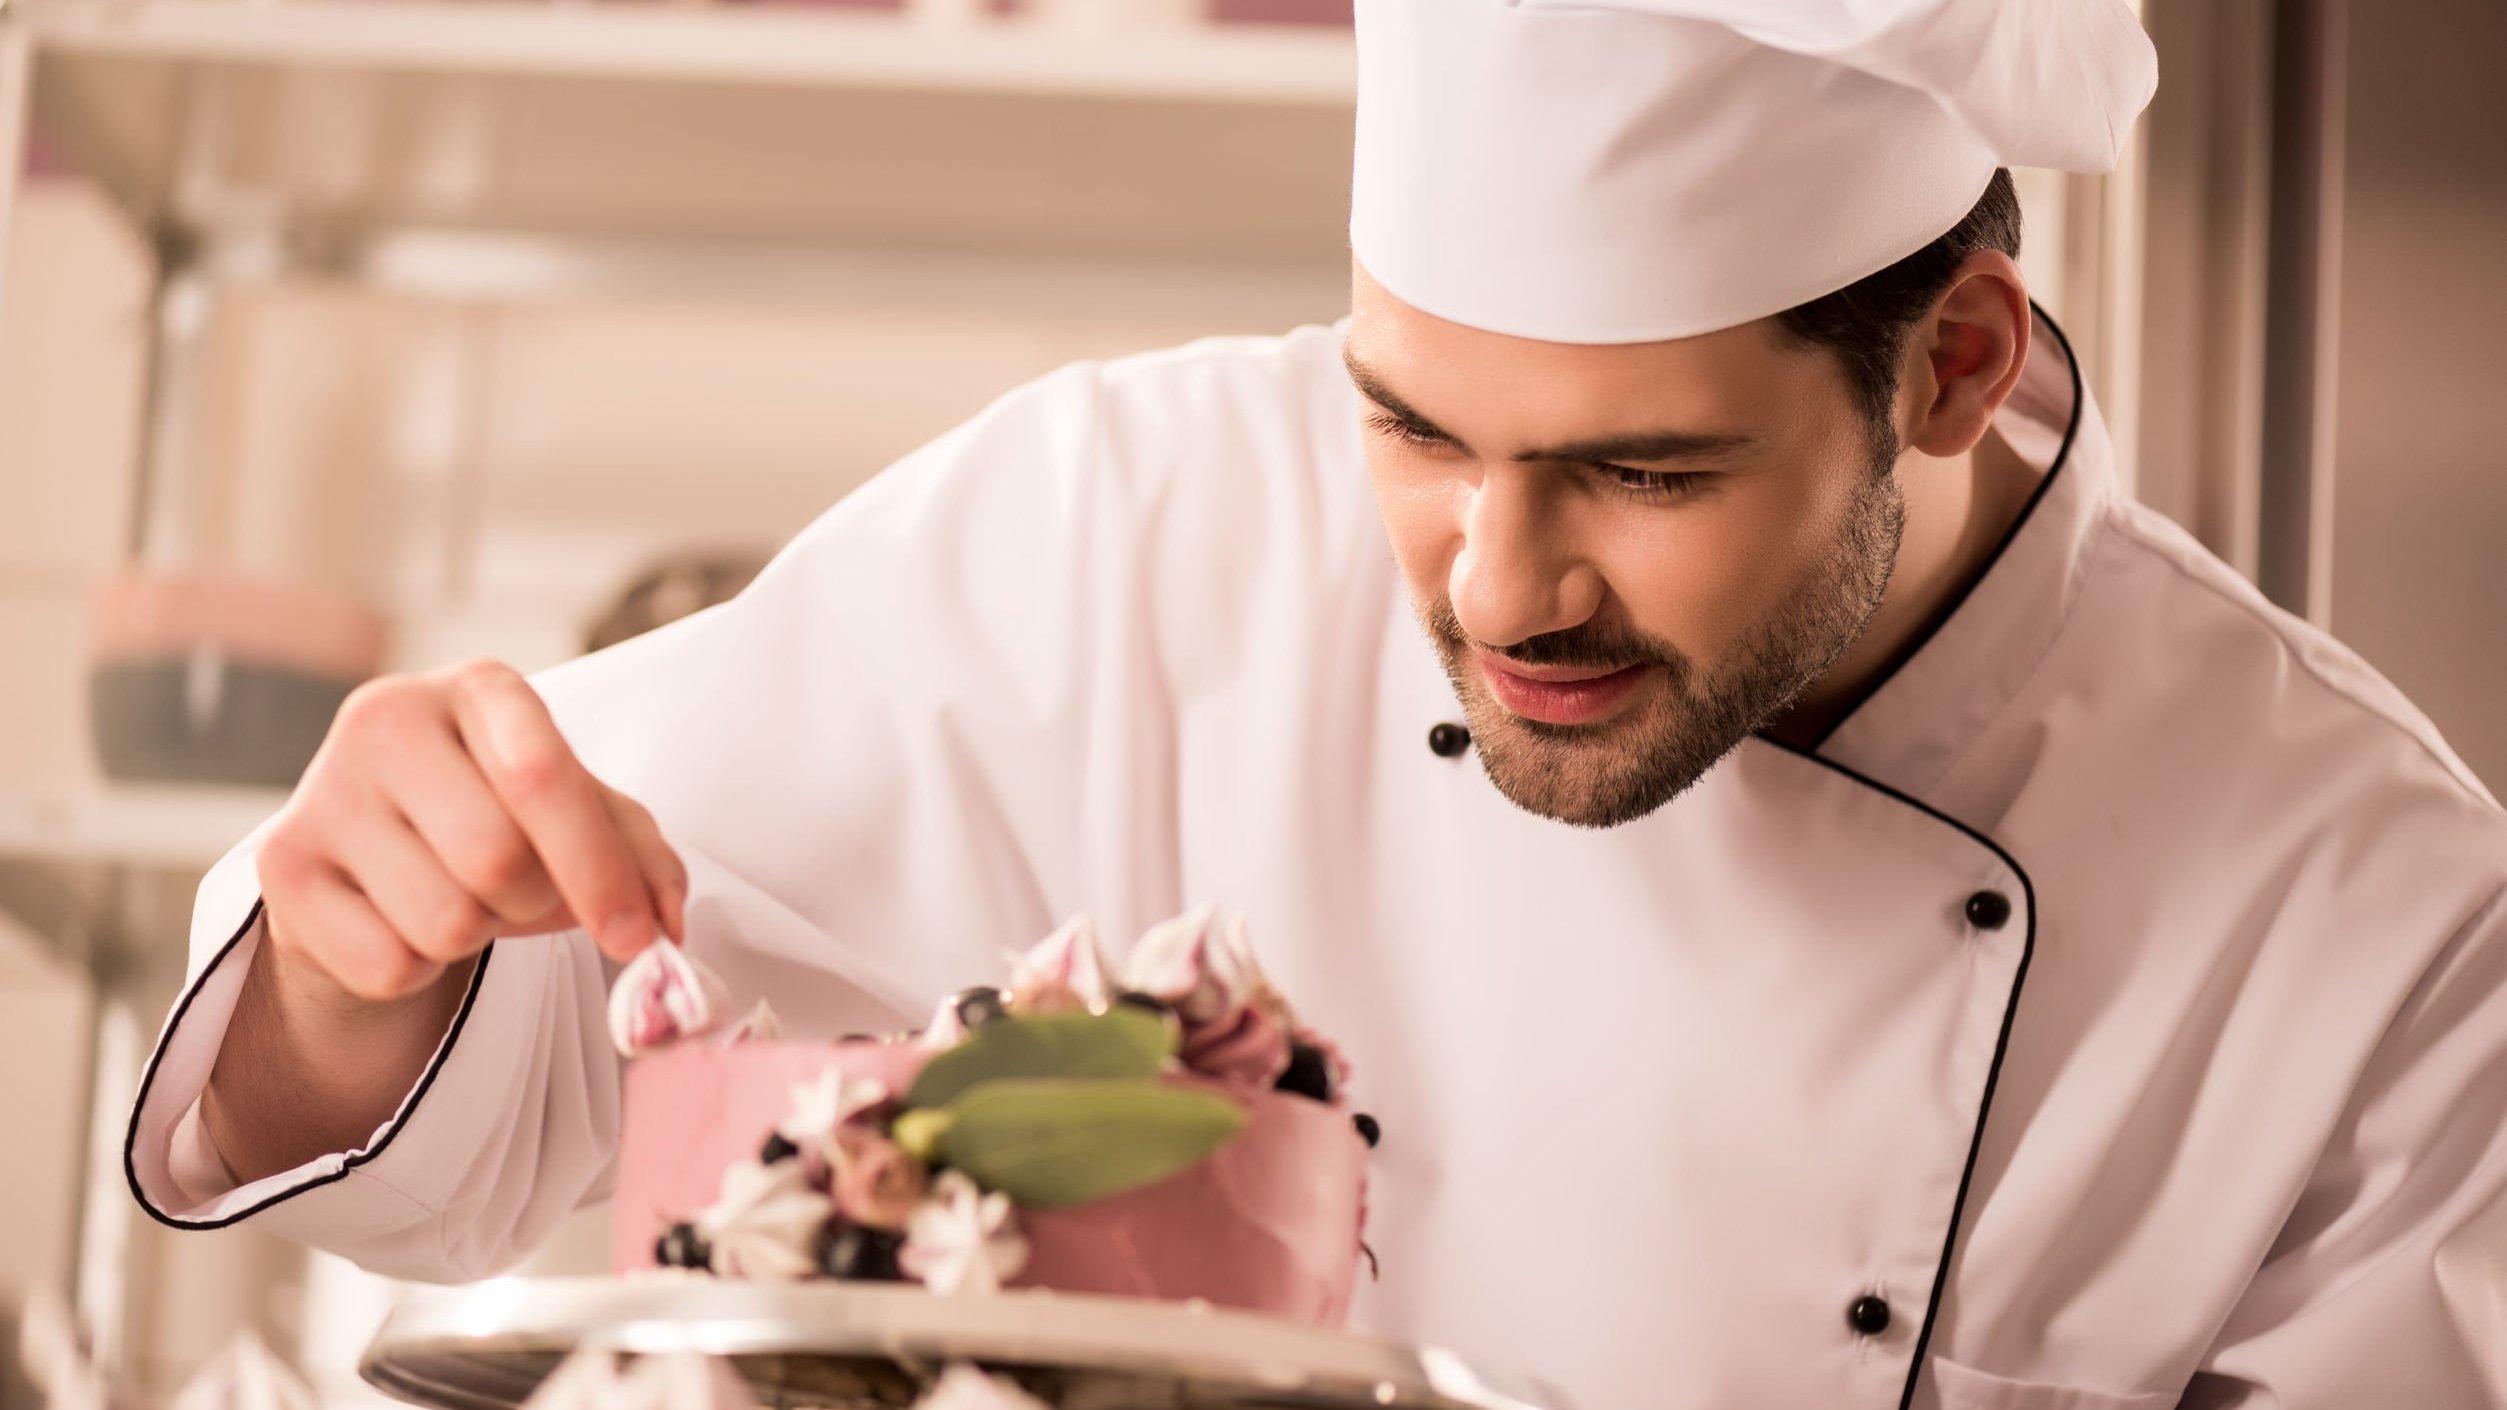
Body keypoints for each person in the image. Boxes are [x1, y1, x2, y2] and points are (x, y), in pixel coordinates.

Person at [126, 1, 2507, 1406]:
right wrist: (366, 951)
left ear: (1956, 370)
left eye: (1641, 471)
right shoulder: (1129, 519)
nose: (1494, 580)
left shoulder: (2379, 934)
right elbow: (512, 1110)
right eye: (1410, 425)